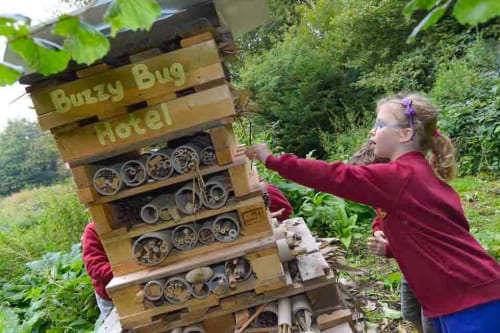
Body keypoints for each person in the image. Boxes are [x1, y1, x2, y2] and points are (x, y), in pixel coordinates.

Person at [246, 93, 500, 333]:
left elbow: (336, 176)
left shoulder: (401, 175)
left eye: (379, 124)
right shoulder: (418, 175)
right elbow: (439, 235)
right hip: (466, 295)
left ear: (405, 134)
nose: (372, 131)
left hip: (470, 300)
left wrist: (273, 161)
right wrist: (391, 249)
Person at [82, 184, 293, 319]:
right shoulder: (93, 231)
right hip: (113, 296)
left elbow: (286, 212)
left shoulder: (261, 189)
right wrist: (140, 269)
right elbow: (96, 270)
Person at [350, 141, 436, 333]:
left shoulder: (411, 198)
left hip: (432, 272)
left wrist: (389, 250)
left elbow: (423, 243)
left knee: (431, 320)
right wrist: (378, 228)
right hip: (411, 269)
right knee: (410, 313)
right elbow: (380, 214)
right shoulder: (384, 195)